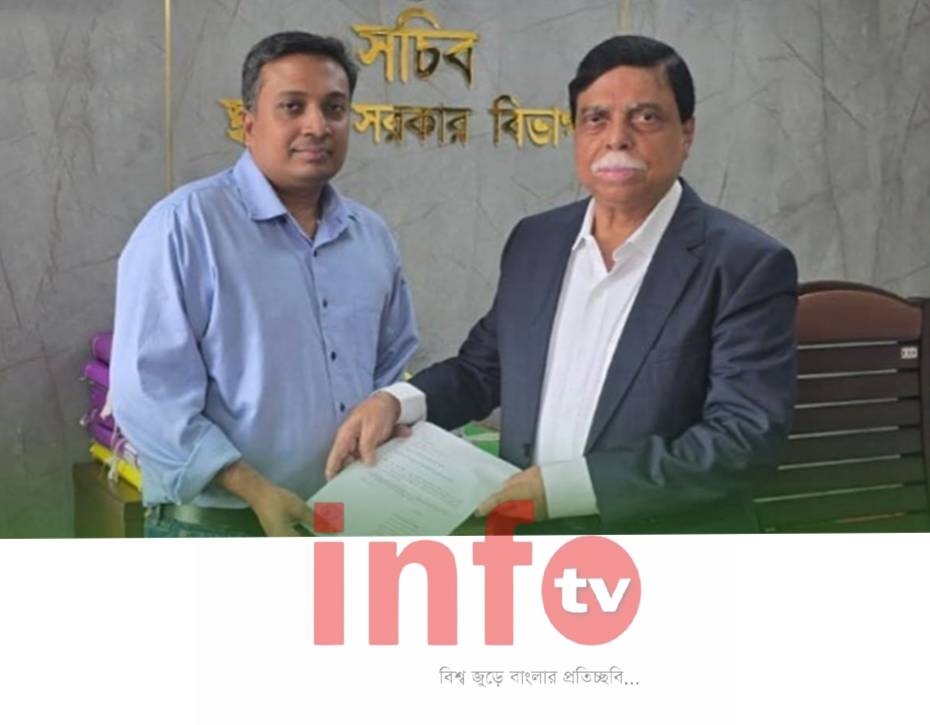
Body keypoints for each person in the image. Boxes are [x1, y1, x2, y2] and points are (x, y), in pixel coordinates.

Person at [326, 35, 797, 534]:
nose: (617, 138)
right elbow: (484, 368)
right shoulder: (536, 241)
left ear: (686, 133)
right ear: (576, 133)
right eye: (596, 118)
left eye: (645, 117)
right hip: (526, 538)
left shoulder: (745, 264)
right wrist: (398, 401)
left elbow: (744, 438)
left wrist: (566, 489)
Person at [111, 32, 418, 536]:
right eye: (292, 107)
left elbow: (390, 366)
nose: (317, 126)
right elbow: (148, 395)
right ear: (248, 123)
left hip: (343, 520)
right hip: (215, 529)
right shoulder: (185, 227)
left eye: (334, 108)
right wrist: (255, 490)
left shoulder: (371, 237)